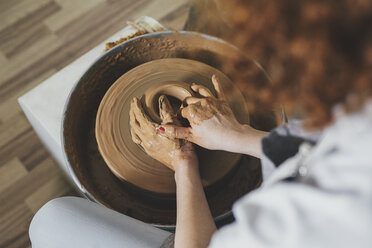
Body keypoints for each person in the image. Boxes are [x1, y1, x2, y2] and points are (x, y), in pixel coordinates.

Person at [29, 0, 372, 247]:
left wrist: (183, 165)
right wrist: (239, 136)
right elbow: (318, 149)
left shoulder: (300, 219)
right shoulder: (358, 118)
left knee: (54, 218)